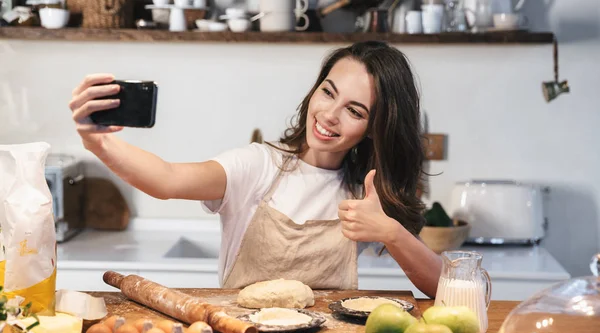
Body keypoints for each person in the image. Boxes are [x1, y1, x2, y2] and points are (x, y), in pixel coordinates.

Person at [69, 41, 442, 298]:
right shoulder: (258, 166)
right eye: (328, 92)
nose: (329, 114)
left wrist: (391, 232)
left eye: (355, 110)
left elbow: (445, 287)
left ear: (375, 129)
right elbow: (168, 179)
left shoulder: (367, 192)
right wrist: (97, 142)